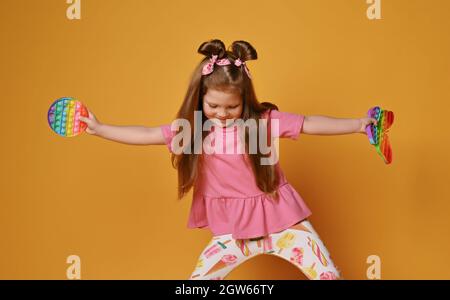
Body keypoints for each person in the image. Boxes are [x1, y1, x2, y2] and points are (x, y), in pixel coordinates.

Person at [79, 39, 377, 280]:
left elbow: (309, 123)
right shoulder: (192, 131)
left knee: (328, 275)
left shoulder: (262, 123)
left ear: (244, 101)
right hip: (231, 231)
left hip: (282, 221)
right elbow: (145, 134)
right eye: (213, 106)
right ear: (200, 99)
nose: (222, 114)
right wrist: (100, 128)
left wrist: (359, 125)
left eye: (232, 106)